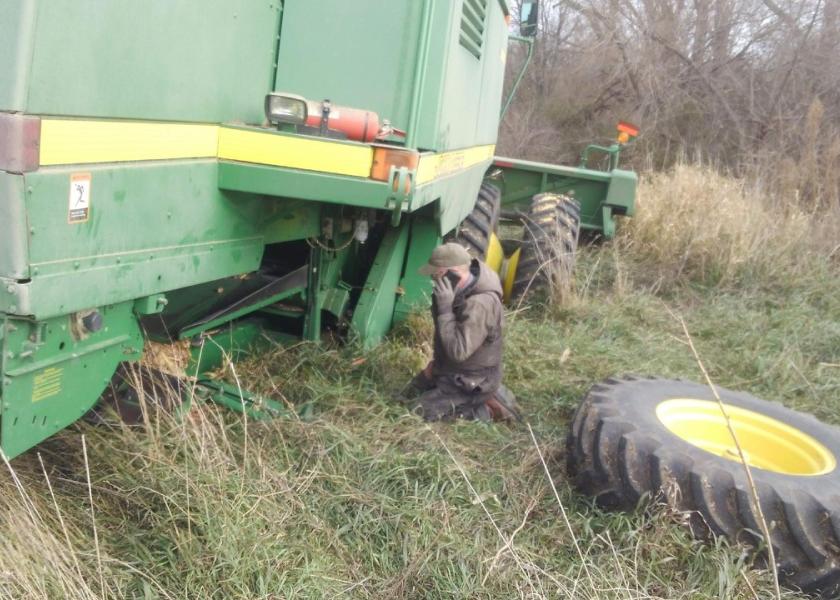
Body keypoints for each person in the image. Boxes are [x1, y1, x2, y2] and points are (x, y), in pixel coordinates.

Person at [402, 242, 520, 422]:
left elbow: (458, 351)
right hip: (450, 369)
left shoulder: (480, 304)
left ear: (452, 273)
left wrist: (445, 310)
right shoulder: (459, 290)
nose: (434, 280)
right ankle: (466, 397)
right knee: (405, 397)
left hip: (470, 380)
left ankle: (483, 410)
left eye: (437, 275)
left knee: (417, 412)